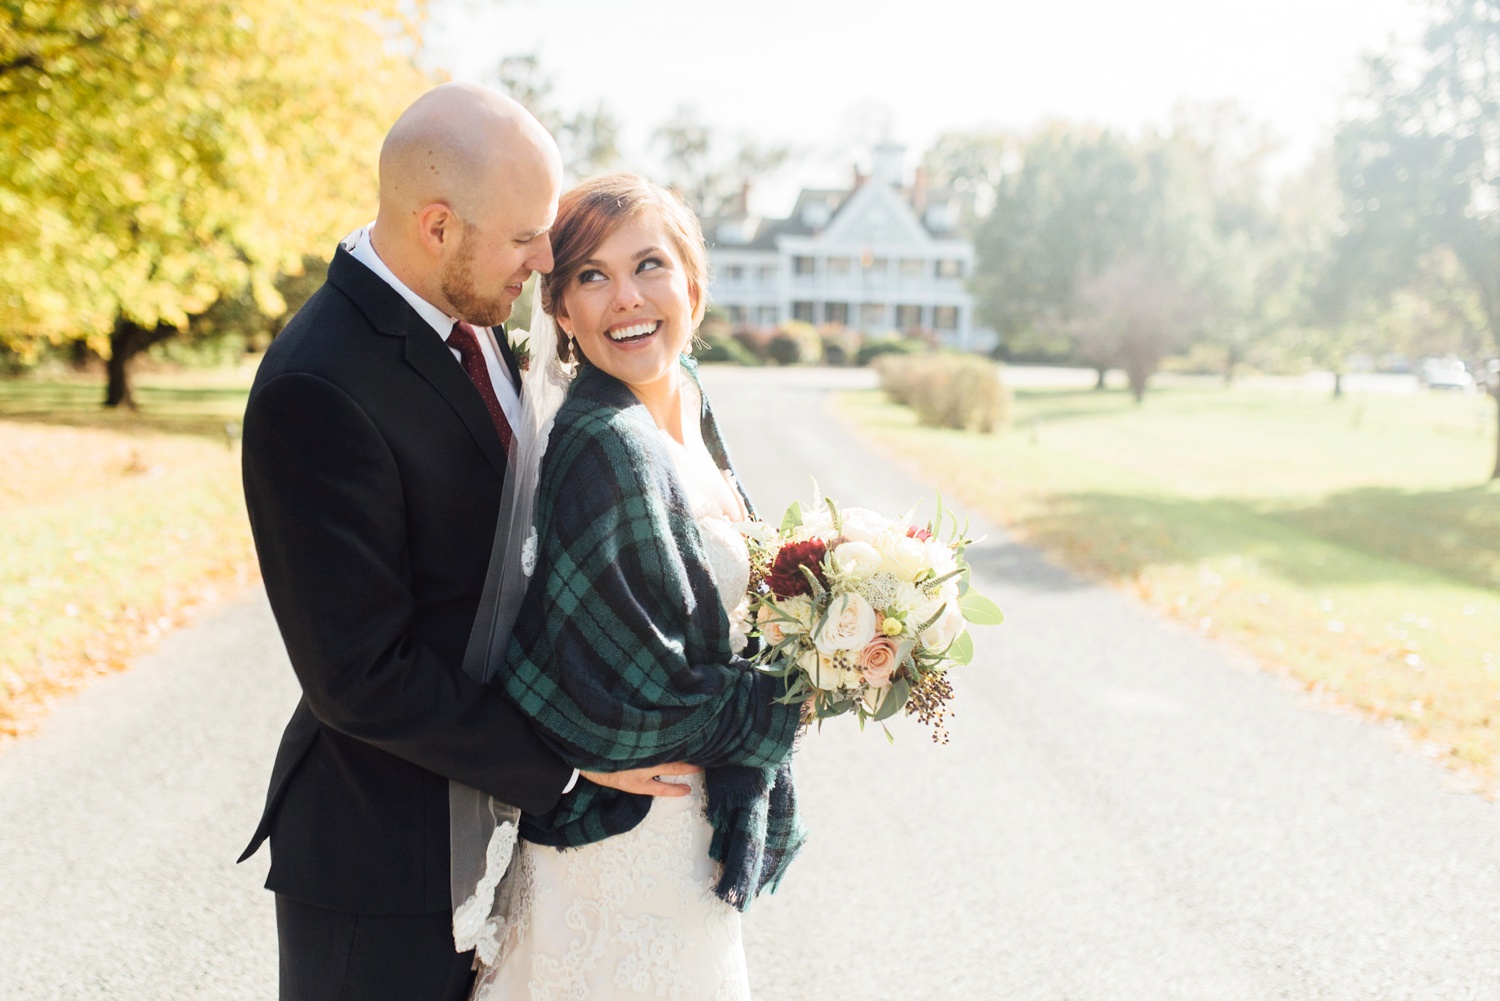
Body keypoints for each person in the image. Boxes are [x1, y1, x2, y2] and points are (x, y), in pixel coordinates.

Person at [238, 85, 693, 1001]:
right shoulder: (316, 385)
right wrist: (566, 760)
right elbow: (358, 674)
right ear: (437, 225)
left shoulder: (483, 313)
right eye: (529, 236)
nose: (546, 259)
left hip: (521, 848)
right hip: (382, 863)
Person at [456, 173, 809, 1000]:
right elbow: (626, 697)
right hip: (622, 853)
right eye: (591, 275)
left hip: (685, 832)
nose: (625, 299)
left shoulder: (686, 403)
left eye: (649, 264)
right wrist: (803, 693)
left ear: (692, 280)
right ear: (561, 310)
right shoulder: (601, 440)